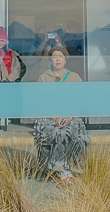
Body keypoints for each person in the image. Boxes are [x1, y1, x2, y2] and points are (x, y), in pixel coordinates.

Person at [33, 46, 89, 182]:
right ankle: (59, 171)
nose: (57, 59)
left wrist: (68, 116)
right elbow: (41, 103)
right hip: (49, 117)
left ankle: (72, 169)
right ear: (50, 60)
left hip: (70, 116)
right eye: (54, 56)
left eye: (60, 56)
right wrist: (55, 117)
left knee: (74, 130)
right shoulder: (43, 78)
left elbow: (80, 101)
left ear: (65, 60)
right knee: (56, 131)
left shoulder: (75, 78)